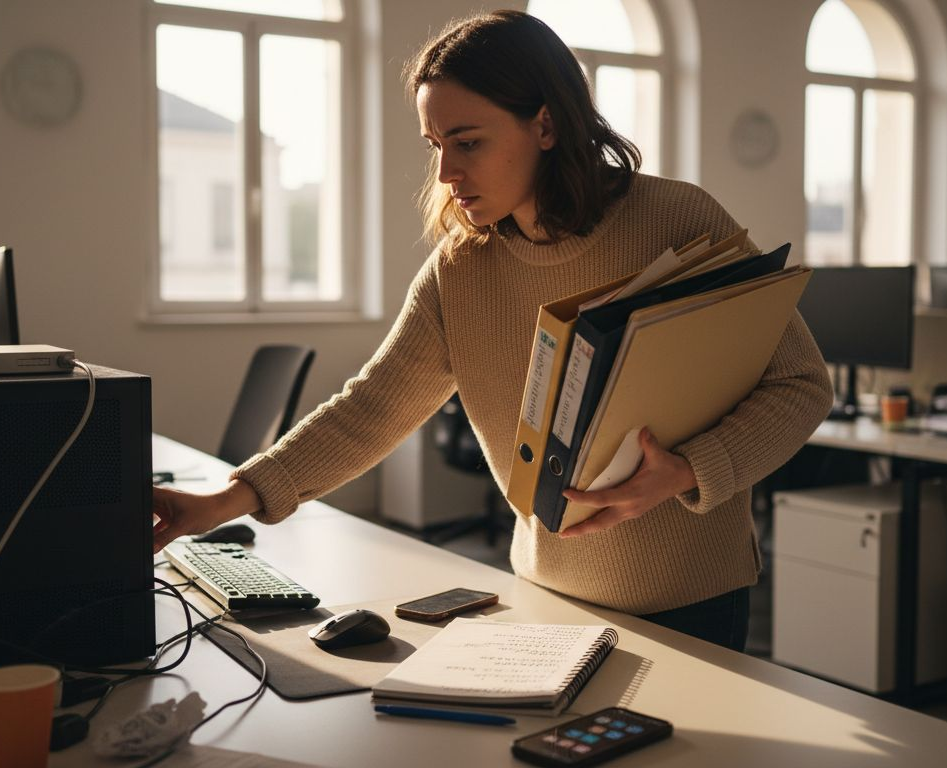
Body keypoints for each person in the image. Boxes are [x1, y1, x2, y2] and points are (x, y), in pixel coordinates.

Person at [152, 10, 832, 652]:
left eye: (468, 142)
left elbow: (800, 385)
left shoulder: (676, 221)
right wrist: (223, 501)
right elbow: (371, 408)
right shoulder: (461, 269)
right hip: (549, 596)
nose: (446, 173)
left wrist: (684, 471)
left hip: (693, 602)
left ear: (545, 125)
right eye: (436, 145)